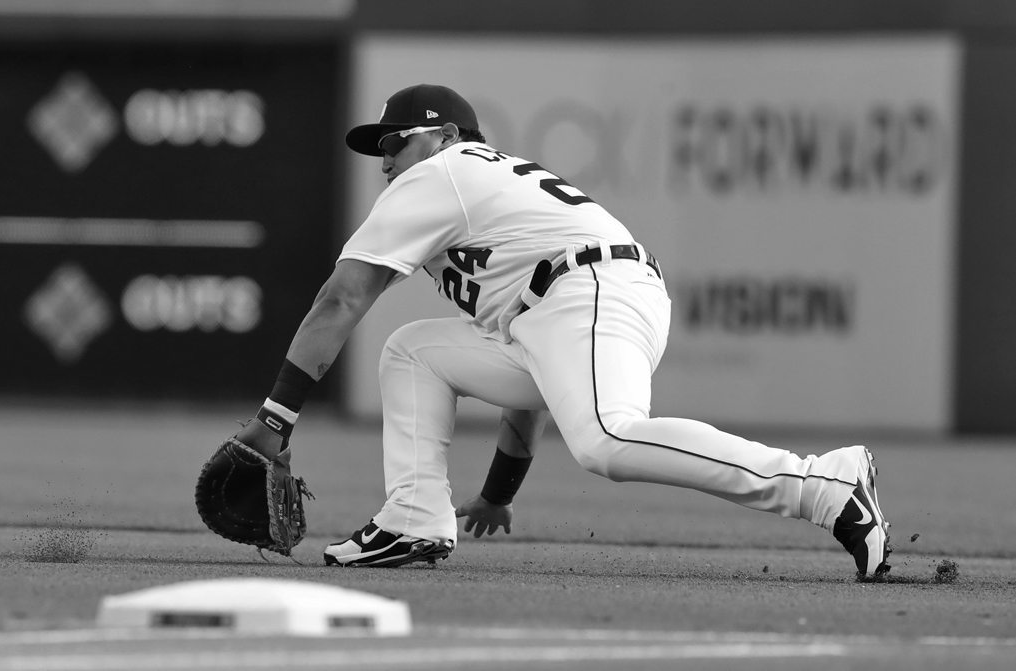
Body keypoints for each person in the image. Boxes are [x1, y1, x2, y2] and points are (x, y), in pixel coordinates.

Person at [232, 83, 892, 577]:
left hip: (588, 288)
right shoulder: (477, 202)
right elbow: (532, 355)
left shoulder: (443, 172)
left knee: (607, 440)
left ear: (444, 135)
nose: (383, 160)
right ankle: (413, 517)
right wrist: (497, 493)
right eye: (379, 149)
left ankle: (821, 486)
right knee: (413, 352)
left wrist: (275, 418)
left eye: (393, 141)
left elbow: (341, 298)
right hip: (572, 300)